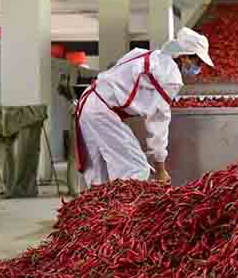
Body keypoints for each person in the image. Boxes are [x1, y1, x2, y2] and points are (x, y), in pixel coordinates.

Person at [74, 27, 214, 187]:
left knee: (99, 175)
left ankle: (100, 211)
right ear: (185, 58)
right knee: (134, 169)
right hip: (101, 111)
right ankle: (123, 211)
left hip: (90, 102)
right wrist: (160, 168)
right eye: (198, 62)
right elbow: (159, 122)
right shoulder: (170, 77)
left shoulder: (152, 56)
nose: (199, 68)